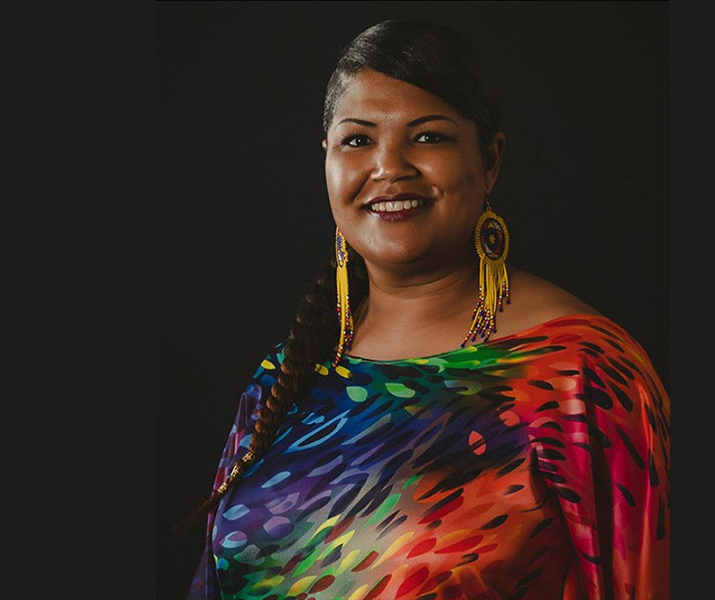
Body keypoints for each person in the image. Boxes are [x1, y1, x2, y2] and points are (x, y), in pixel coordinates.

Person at [182, 19, 669, 600]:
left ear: (490, 160)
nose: (389, 167)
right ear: (328, 159)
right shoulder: (288, 376)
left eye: (428, 136)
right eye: (358, 139)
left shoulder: (579, 371)